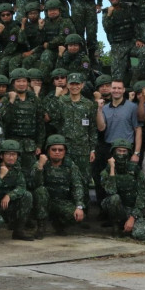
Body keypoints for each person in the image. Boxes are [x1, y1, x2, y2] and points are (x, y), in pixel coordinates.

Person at [47, 73, 97, 205]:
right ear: (68, 85)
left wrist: (92, 149)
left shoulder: (89, 104)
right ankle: (67, 210)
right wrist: (56, 97)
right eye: (72, 84)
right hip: (65, 149)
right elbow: (52, 118)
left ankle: (83, 211)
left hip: (83, 149)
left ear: (82, 85)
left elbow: (92, 128)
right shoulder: (62, 101)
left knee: (84, 180)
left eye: (77, 84)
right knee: (66, 179)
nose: (75, 87)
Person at [94, 78, 142, 206]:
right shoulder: (104, 108)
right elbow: (101, 128)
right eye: (114, 88)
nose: (116, 90)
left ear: (124, 90)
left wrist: (136, 152)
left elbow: (137, 129)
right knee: (106, 180)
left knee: (125, 182)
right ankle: (106, 211)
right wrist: (98, 110)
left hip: (126, 149)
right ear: (110, 89)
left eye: (119, 88)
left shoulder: (132, 107)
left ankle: (125, 211)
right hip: (109, 148)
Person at [32, 134, 86, 237]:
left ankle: (59, 224)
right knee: (41, 191)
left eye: (60, 150)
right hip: (43, 202)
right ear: (48, 150)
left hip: (62, 201)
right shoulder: (40, 164)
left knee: (77, 217)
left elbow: (77, 186)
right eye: (54, 149)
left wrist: (79, 206)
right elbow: (36, 184)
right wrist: (40, 167)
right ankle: (41, 227)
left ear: (65, 151)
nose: (57, 152)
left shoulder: (70, 166)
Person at [99, 139, 145, 240]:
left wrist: (132, 217)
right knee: (114, 198)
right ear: (114, 152)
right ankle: (116, 225)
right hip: (118, 210)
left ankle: (127, 226)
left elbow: (142, 194)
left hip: (132, 210)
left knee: (141, 235)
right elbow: (111, 191)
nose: (121, 154)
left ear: (129, 153)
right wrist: (112, 169)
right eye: (119, 151)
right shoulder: (106, 171)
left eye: (124, 151)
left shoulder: (135, 169)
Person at [0, 139, 34, 241]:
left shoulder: (16, 169)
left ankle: (18, 231)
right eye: (8, 154)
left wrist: (9, 195)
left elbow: (22, 186)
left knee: (27, 195)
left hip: (8, 203)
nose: (11, 157)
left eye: (14, 154)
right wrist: (1, 176)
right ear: (1, 156)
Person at [102, 0, 138, 84]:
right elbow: (107, 29)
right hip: (117, 45)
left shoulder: (129, 8)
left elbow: (136, 24)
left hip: (131, 42)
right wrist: (109, 15)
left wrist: (139, 39)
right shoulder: (106, 12)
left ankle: (135, 81)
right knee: (117, 75)